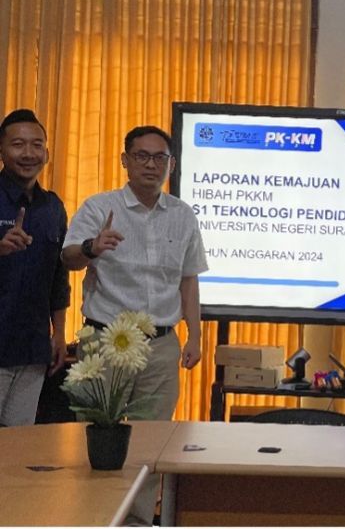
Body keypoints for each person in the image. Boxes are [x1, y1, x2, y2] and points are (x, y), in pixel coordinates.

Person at [61, 125, 207, 523]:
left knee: (151, 442)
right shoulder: (100, 207)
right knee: (98, 442)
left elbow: (188, 279)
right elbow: (69, 258)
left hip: (160, 344)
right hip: (105, 341)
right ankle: (96, 518)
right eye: (142, 156)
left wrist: (195, 336)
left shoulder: (182, 215)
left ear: (171, 164)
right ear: (125, 160)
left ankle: (140, 521)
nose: (151, 165)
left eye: (160, 158)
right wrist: (93, 247)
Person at [0, 109, 70, 426]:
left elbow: (58, 277)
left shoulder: (52, 207)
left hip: (33, 348)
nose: (28, 153)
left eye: (37, 144)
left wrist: (59, 332)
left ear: (46, 153)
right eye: (18, 144)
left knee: (20, 442)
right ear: (2, 150)